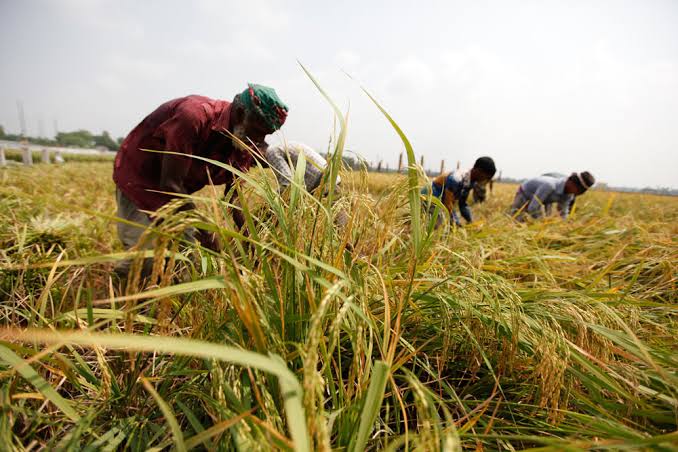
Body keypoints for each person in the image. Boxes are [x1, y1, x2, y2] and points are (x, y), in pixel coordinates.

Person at [112, 83, 288, 278]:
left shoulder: (245, 142)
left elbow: (234, 199)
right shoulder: (194, 116)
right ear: (239, 113)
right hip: (140, 180)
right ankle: (117, 297)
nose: (259, 139)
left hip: (179, 194)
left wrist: (252, 241)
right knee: (146, 260)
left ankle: (161, 302)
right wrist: (206, 231)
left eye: (265, 134)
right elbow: (169, 184)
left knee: (187, 263)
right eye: (257, 130)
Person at [421, 157, 496, 227]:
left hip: (440, 199)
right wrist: (456, 223)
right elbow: (448, 204)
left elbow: (462, 204)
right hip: (430, 194)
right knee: (438, 224)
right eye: (486, 177)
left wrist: (470, 221)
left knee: (446, 222)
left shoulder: (471, 181)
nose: (485, 180)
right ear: (479, 171)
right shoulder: (456, 178)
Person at [510, 171, 595, 221]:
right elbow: (533, 207)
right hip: (525, 194)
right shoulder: (549, 185)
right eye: (579, 190)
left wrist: (565, 225)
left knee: (547, 218)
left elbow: (563, 211)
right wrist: (540, 223)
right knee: (517, 219)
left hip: (546, 200)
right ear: (572, 184)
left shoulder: (568, 194)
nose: (578, 193)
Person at [265, 141, 340, 193]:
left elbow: (288, 185)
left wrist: (269, 205)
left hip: (323, 186)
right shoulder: (283, 146)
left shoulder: (271, 152)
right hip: (332, 179)